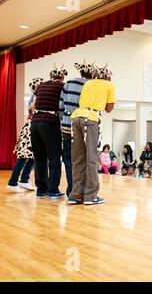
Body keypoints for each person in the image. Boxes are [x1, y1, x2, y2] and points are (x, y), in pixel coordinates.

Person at [69, 65, 116, 205]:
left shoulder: (88, 83)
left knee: (78, 158)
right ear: (108, 76)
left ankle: (76, 194)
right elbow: (109, 108)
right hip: (91, 120)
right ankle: (91, 196)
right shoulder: (109, 85)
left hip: (76, 118)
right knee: (92, 158)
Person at [31, 66, 67, 198]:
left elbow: (33, 106)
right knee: (54, 157)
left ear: (51, 76)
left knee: (40, 157)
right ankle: (53, 190)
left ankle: (41, 190)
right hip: (50, 122)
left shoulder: (41, 86)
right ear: (62, 77)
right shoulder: (62, 86)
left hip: (35, 122)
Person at [59, 62, 95, 197]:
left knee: (70, 160)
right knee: (87, 160)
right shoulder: (91, 85)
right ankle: (84, 190)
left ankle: (72, 191)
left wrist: (64, 121)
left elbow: (61, 106)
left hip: (68, 127)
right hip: (85, 126)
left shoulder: (68, 83)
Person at [6, 78, 42, 193]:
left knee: (34, 155)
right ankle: (13, 182)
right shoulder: (35, 97)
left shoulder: (35, 96)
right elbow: (32, 110)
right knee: (23, 156)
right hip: (31, 127)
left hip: (31, 126)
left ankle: (24, 179)